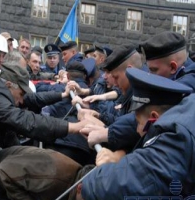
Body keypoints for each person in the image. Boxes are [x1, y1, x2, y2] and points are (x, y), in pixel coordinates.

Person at [0, 62, 89, 200]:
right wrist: (73, 127)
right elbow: (26, 121)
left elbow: (32, 99)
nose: (21, 100)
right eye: (20, 93)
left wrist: (62, 95)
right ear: (8, 84)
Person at [81, 67, 195, 199]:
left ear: (154, 117)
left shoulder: (177, 138)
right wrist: (123, 156)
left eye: (138, 122)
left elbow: (104, 186)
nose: (136, 129)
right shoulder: (185, 112)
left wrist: (106, 169)